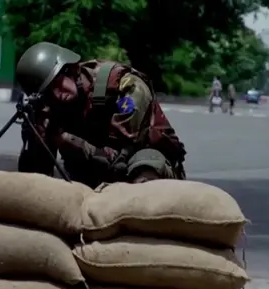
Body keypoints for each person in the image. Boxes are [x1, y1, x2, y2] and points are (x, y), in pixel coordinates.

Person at [14, 42, 187, 188]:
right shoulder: (51, 108)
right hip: (97, 179)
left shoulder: (124, 86)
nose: (58, 95)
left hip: (150, 172)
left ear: (71, 69)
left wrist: (66, 140)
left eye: (57, 84)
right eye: (48, 93)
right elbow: (36, 179)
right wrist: (35, 139)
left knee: (145, 162)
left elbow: (120, 161)